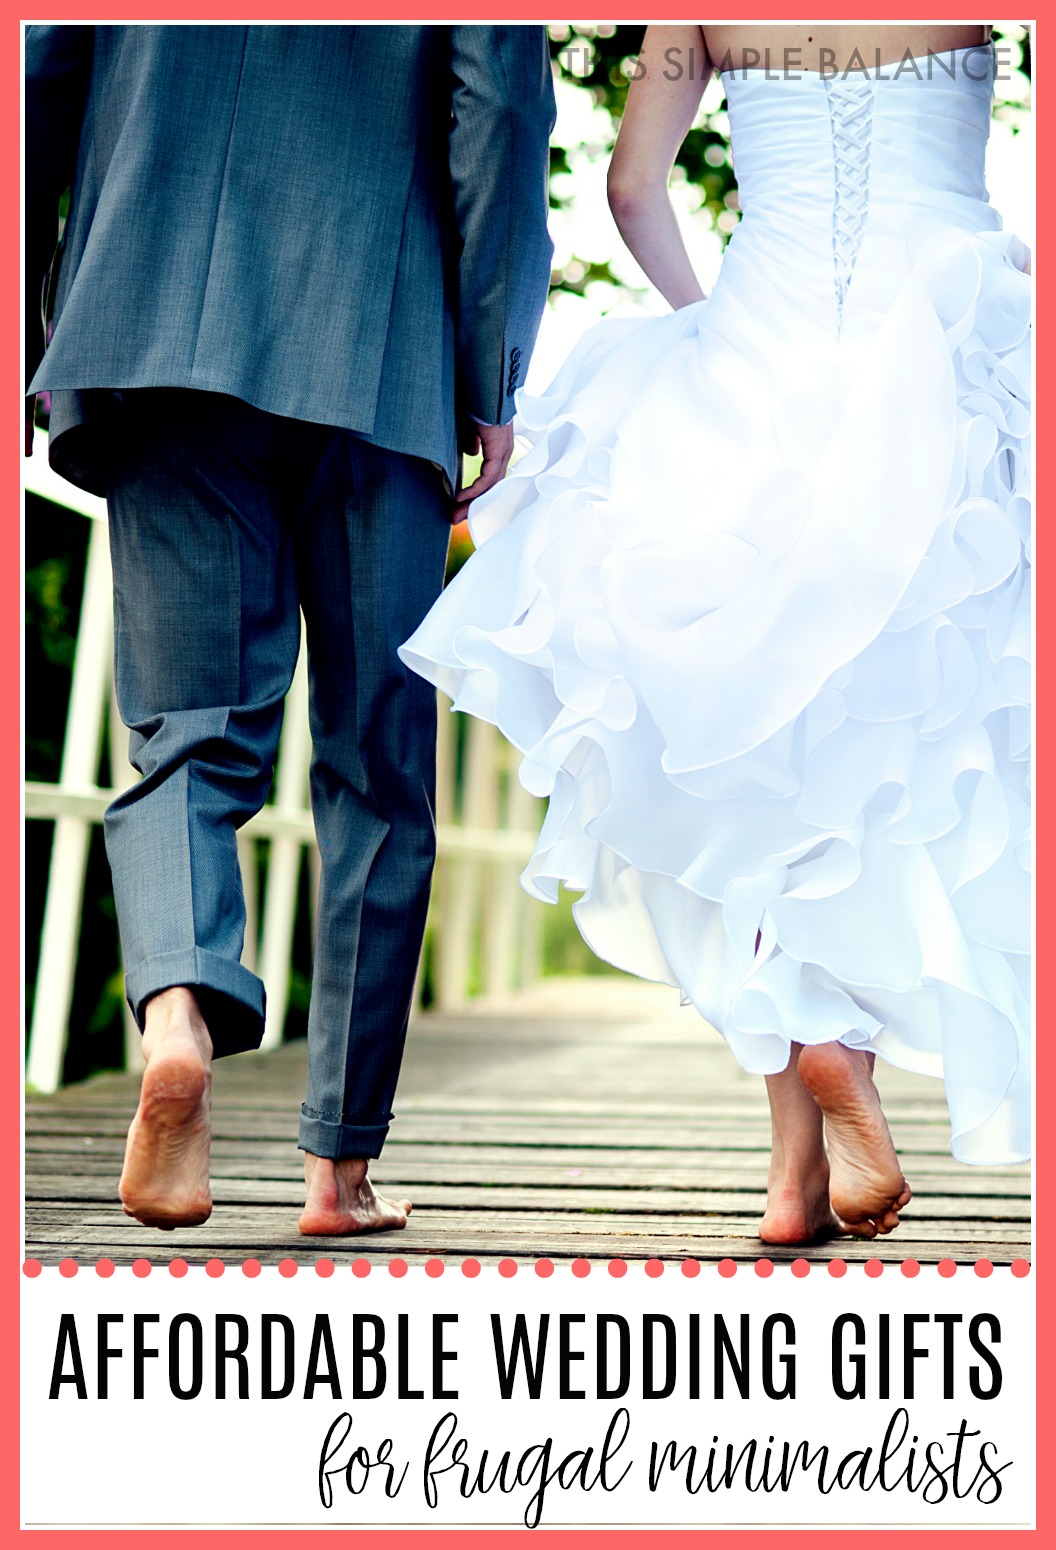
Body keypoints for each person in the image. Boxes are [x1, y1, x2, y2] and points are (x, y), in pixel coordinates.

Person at [401, 23, 1032, 1243]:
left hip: (759, 358)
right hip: (940, 366)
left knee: (747, 756)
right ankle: (822, 1067)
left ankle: (796, 1154)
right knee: (888, 756)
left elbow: (633, 188)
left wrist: (704, 318)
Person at [25, 24, 556, 1234]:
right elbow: (501, 112)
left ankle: (176, 1018)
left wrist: (28, 317)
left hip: (147, 323)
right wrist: (490, 373)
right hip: (381, 340)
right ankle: (339, 1169)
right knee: (377, 759)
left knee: (187, 733)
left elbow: (37, 72)